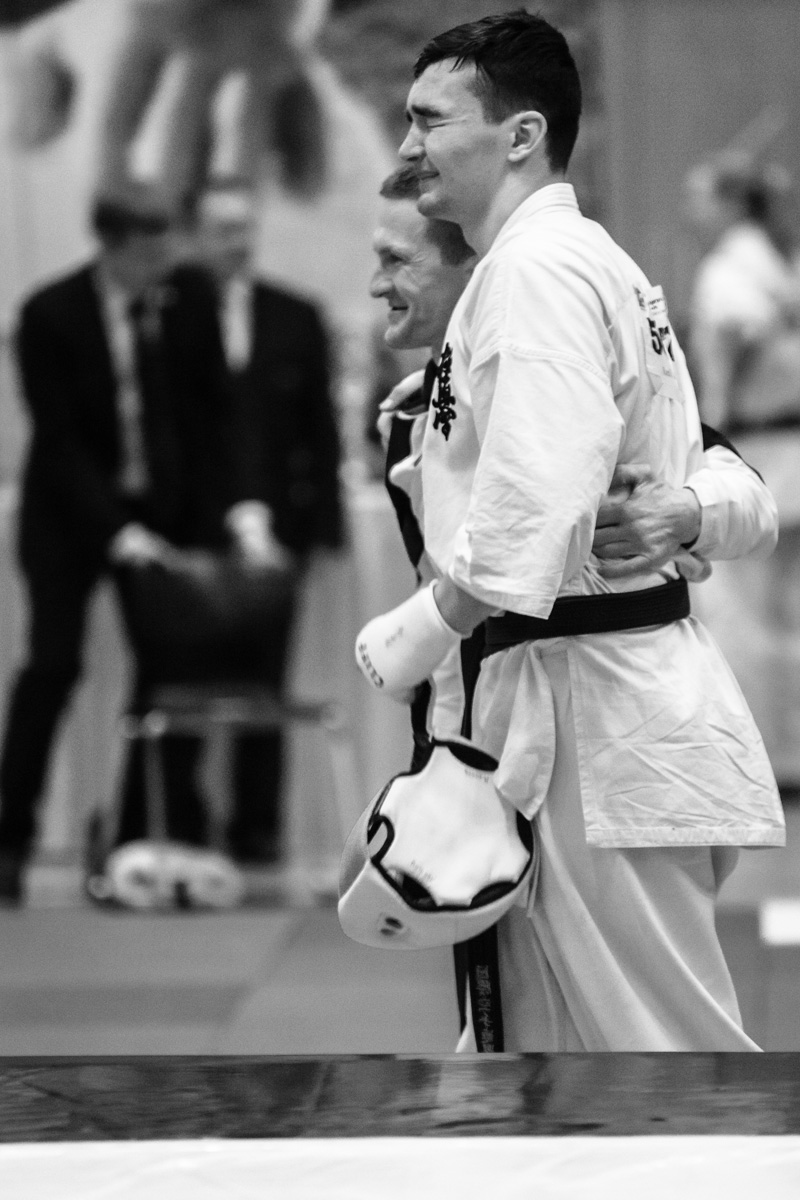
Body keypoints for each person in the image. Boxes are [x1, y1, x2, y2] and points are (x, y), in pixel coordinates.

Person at [355, 12, 785, 1052]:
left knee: (660, 1060)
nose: (409, 144)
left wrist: (418, 628)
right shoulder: (567, 263)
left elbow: (535, 507)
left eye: (429, 119)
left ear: (520, 134)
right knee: (537, 1064)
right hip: (563, 712)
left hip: (590, 715)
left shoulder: (537, 270)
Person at [371, 162, 779, 769]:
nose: (376, 284)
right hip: (465, 742)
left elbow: (748, 499)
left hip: (604, 724)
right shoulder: (408, 415)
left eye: (397, 260)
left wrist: (683, 512)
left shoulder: (571, 386)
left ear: (478, 265)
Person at [0, 184, 264, 904]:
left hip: (163, 513)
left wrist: (236, 507)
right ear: (114, 245)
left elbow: (214, 412)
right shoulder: (50, 314)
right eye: (151, 248)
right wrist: (117, 533)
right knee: (52, 666)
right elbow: (58, 441)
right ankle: (11, 837)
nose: (165, 261)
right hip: (69, 520)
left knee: (170, 671)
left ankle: (142, 836)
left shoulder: (187, 299)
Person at [190, 177, 345, 864]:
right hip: (196, 529)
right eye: (222, 228)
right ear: (198, 234)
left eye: (243, 227)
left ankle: (258, 826)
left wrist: (324, 524)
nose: (236, 241)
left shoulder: (293, 314)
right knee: (190, 673)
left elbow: (319, 425)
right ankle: (181, 818)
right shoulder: (172, 310)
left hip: (283, 524)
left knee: (267, 678)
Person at [685, 154, 800, 792]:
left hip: (759, 455)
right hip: (789, 451)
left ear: (731, 204)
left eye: (699, 198)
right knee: (790, 616)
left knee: (740, 613)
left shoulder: (730, 269)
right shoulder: (782, 261)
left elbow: (737, 333)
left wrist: (713, 415)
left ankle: (755, 759)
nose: (691, 212)